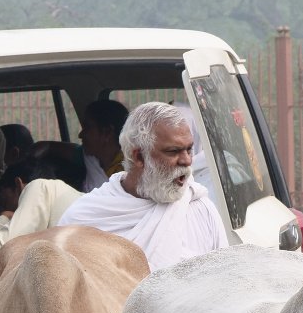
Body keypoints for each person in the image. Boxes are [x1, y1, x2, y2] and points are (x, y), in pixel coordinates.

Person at [58, 101, 228, 271]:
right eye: (173, 151)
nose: (187, 160)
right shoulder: (84, 218)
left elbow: (225, 279)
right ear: (139, 157)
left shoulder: (200, 209)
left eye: (189, 150)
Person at [0, 154, 82, 252]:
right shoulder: (71, 195)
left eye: (5, 200)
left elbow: (3, 248)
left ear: (18, 184)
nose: (5, 207)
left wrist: (4, 216)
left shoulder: (39, 186)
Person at [77, 98, 129, 192]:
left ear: (107, 132)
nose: (80, 135)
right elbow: (53, 148)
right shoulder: (89, 158)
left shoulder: (128, 172)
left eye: (87, 128)